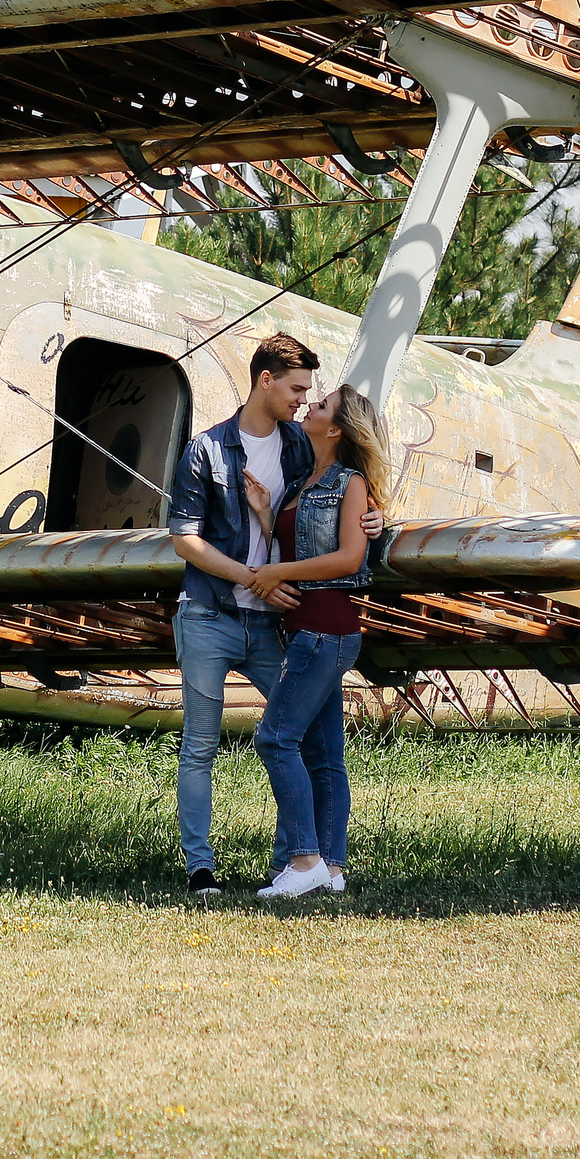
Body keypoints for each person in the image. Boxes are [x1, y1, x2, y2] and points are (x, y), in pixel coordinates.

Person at [165, 334, 379, 898]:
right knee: (201, 745)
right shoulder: (206, 449)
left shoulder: (300, 448)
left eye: (313, 395)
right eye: (298, 389)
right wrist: (253, 576)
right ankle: (201, 870)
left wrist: (376, 520)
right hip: (209, 613)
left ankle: (300, 862)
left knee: (296, 738)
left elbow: (342, 492)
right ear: (266, 381)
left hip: (276, 622)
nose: (305, 401)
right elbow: (185, 538)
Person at [242, 383, 394, 900]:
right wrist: (266, 514)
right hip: (308, 629)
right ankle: (331, 868)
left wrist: (276, 570)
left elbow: (350, 559)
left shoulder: (350, 484)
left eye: (322, 404)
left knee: (275, 738)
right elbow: (302, 540)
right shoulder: (303, 480)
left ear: (336, 429)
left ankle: (303, 858)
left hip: (326, 626)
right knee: (325, 753)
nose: (311, 405)